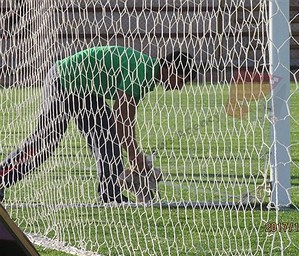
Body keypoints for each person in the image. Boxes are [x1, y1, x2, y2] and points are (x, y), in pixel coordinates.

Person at [0, 46, 196, 203]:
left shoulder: (149, 74)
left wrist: (134, 154)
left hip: (86, 92)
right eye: (181, 80)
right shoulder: (143, 71)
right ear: (169, 68)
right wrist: (135, 156)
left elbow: (123, 120)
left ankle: (110, 194)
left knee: (108, 138)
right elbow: (124, 118)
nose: (179, 87)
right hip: (65, 80)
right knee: (45, 142)